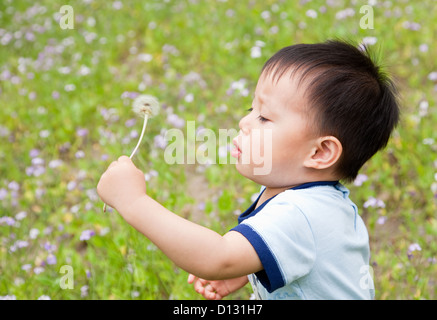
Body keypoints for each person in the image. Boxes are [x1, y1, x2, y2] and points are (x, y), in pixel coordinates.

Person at [97, 40, 399, 300]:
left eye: (265, 118)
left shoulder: (301, 215)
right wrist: (253, 267)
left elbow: (217, 257)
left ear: (320, 152)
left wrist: (133, 202)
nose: (245, 123)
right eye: (250, 110)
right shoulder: (311, 200)